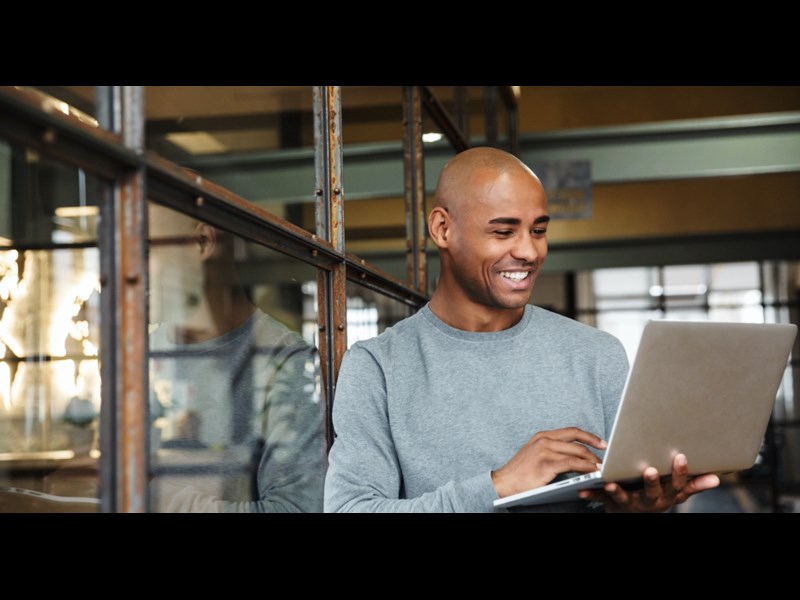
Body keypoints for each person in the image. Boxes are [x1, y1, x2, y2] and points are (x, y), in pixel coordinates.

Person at [323, 146, 720, 513]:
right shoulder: (378, 367)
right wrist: (499, 485)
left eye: (538, 230)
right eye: (503, 231)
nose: (530, 252)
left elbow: (624, 491)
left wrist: (641, 508)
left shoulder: (597, 355)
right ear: (443, 229)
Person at [147, 203, 326, 512]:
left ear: (203, 243)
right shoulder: (139, 352)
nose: (129, 272)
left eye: (145, 251)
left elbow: (296, 509)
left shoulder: (287, 361)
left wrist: (152, 498)